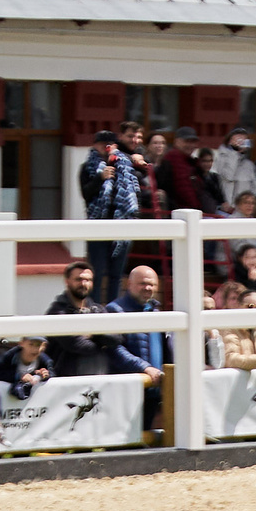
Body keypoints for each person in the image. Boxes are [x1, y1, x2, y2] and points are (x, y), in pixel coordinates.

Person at [79, 123, 147, 297]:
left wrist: (137, 163)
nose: (106, 148)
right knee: (97, 272)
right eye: (103, 144)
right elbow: (86, 194)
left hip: (122, 224)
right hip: (98, 225)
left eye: (110, 144)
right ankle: (93, 309)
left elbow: (139, 182)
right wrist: (100, 178)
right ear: (95, 145)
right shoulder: (88, 167)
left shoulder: (124, 164)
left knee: (116, 274)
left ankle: (112, 309)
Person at [104, 264, 171, 432]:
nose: (147, 288)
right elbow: (114, 350)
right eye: (142, 283)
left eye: (152, 284)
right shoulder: (115, 310)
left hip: (154, 390)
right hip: (127, 390)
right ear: (129, 284)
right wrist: (145, 368)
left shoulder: (156, 312)